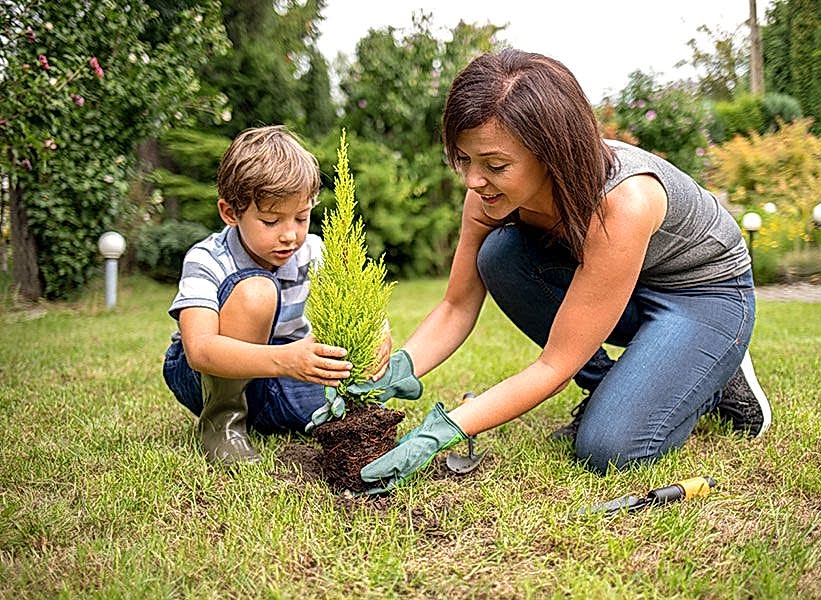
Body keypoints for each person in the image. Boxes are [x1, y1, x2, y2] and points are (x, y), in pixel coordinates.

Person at [357, 49, 772, 492]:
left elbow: (554, 365)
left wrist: (443, 431)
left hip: (702, 295)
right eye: (465, 160)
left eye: (495, 165)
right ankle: (618, 384)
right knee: (499, 255)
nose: (473, 181)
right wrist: (396, 372)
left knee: (610, 449)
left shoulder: (622, 202)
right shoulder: (486, 196)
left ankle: (714, 375)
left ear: (551, 153)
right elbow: (456, 306)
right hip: (616, 288)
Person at [162, 125, 388, 466]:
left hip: (277, 375)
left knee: (353, 405)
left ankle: (263, 417)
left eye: (301, 217)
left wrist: (378, 331)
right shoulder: (207, 258)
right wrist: (286, 360)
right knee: (257, 291)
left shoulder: (312, 251)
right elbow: (200, 350)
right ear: (230, 213)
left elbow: (354, 301)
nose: (290, 235)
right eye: (271, 221)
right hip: (207, 375)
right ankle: (222, 421)